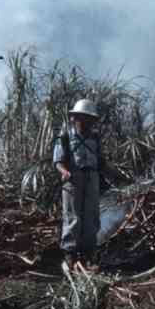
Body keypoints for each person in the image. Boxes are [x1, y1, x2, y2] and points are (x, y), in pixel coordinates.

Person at [53, 99, 105, 271]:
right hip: (73, 179)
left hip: (92, 178)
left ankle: (89, 255)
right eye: (82, 118)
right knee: (72, 216)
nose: (86, 122)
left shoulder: (95, 138)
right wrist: (64, 172)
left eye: (89, 119)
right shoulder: (65, 136)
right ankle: (70, 254)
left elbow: (101, 161)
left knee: (91, 216)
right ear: (74, 118)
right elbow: (58, 161)